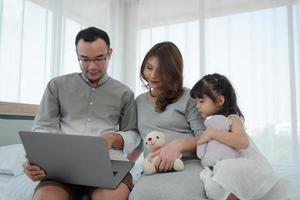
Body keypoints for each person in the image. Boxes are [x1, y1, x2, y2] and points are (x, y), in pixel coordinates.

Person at [23, 27, 140, 200]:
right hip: (62, 169)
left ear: (110, 53)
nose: (92, 67)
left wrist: (116, 138)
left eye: (99, 58)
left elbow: (134, 134)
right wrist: (36, 160)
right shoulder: (57, 86)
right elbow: (43, 128)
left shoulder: (125, 93)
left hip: (108, 166)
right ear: (77, 54)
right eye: (84, 59)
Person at [190, 73, 296, 200]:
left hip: (248, 165)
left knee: (225, 171)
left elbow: (242, 142)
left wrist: (212, 133)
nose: (197, 106)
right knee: (212, 180)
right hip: (227, 166)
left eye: (201, 101)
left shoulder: (232, 119)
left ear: (220, 100)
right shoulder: (211, 123)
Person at [129, 41, 206, 200]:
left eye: (162, 71)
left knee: (179, 195)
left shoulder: (189, 98)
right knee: (138, 196)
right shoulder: (138, 102)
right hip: (153, 168)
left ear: (173, 72)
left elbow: (206, 137)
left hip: (186, 165)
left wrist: (178, 145)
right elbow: (138, 142)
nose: (153, 75)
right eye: (149, 68)